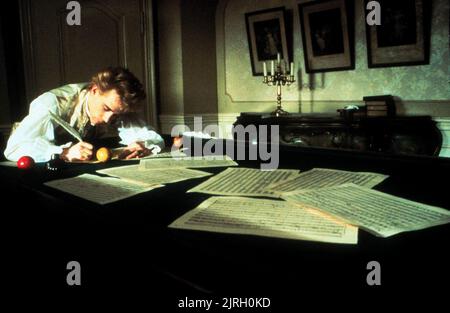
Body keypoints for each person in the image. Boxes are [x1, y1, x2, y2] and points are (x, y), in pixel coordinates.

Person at [4, 67, 164, 162]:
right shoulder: (52, 103)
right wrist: (64, 152)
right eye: (106, 109)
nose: (109, 119)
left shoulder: (118, 105)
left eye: (116, 114)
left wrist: (142, 145)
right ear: (94, 90)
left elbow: (148, 136)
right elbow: (14, 148)